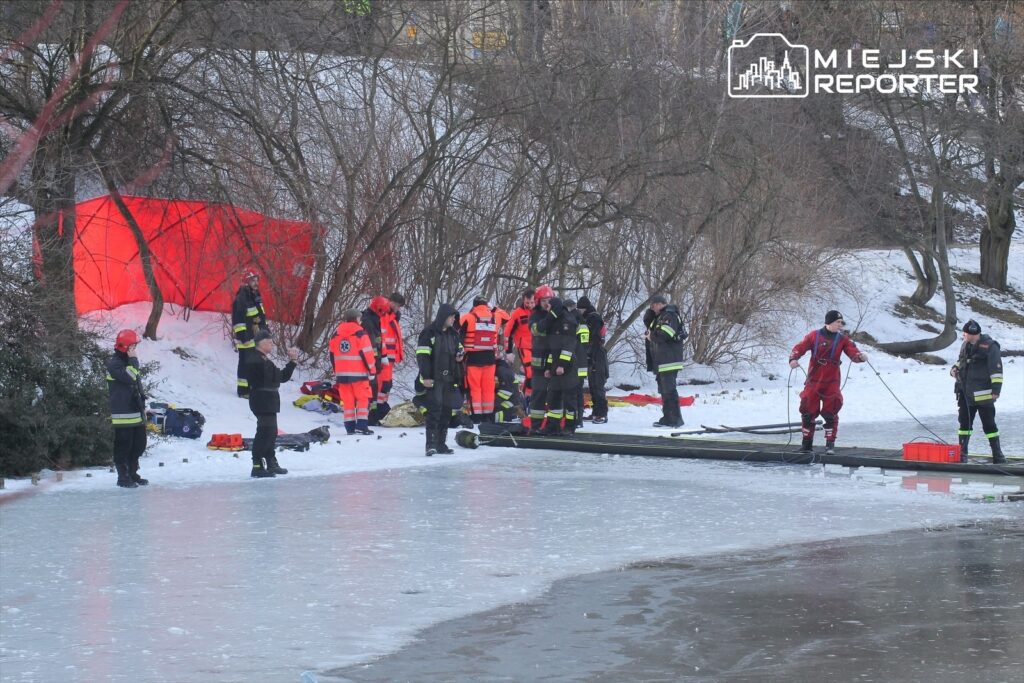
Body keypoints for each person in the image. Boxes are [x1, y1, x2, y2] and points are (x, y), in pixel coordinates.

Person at [789, 310, 867, 454]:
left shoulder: (843, 339)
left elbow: (853, 352)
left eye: (841, 322)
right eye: (837, 322)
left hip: (832, 382)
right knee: (807, 411)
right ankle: (807, 445)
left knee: (831, 413)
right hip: (814, 380)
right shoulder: (814, 335)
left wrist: (860, 357)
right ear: (829, 322)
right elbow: (799, 348)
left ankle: (829, 445)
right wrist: (793, 359)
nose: (840, 325)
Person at [246, 330, 299, 478]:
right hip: (261, 398)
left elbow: (281, 377)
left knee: (271, 432)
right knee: (264, 432)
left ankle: (270, 461)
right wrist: (278, 375)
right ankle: (257, 465)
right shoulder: (255, 359)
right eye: (269, 342)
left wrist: (293, 361)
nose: (271, 344)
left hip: (269, 398)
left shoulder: (264, 359)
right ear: (261, 343)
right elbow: (275, 377)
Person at [951, 320, 1005, 464]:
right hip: (965, 393)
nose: (964, 335)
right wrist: (955, 368)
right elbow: (961, 361)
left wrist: (996, 391)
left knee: (989, 425)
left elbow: (997, 371)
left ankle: (998, 455)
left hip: (984, 395)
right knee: (964, 425)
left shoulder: (990, 347)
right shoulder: (965, 345)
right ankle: (963, 454)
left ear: (973, 334)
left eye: (966, 334)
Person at [416, 303, 465, 456]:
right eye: (451, 317)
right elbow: (422, 357)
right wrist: (426, 377)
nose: (453, 320)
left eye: (454, 317)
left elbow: (460, 349)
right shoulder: (429, 333)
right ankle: (430, 445)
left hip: (450, 379)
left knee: (446, 413)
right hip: (434, 379)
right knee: (434, 412)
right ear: (444, 316)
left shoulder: (453, 334)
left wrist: (460, 355)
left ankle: (441, 444)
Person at [106, 329, 149, 488]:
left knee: (139, 445)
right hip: (123, 414)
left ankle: (132, 473)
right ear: (125, 347)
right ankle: (123, 477)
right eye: (132, 347)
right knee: (123, 446)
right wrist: (134, 361)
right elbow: (130, 377)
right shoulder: (115, 364)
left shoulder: (128, 362)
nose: (135, 350)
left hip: (135, 412)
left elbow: (136, 385)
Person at [330, 309, 377, 436]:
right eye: (360, 318)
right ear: (356, 319)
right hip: (359, 374)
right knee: (363, 399)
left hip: (342, 375)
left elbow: (332, 355)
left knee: (348, 401)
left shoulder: (336, 334)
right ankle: (361, 426)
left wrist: (336, 372)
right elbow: (368, 354)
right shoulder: (360, 334)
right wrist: (372, 370)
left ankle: (350, 427)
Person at [541, 297, 582, 435]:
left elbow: (569, 345)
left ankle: (570, 427)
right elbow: (552, 349)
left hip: (568, 366)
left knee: (570, 398)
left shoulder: (567, 321)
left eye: (549, 307)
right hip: (556, 365)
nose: (548, 310)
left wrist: (562, 365)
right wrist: (548, 367)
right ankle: (553, 425)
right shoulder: (553, 321)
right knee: (553, 397)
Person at [645, 295, 687, 428]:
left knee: (669, 391)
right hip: (662, 361)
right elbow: (648, 323)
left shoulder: (670, 316)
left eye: (653, 306)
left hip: (669, 360)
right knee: (664, 391)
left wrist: (651, 336)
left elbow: (665, 334)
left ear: (660, 304)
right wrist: (650, 313)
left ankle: (675, 419)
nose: (652, 308)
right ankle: (667, 418)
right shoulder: (660, 317)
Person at [461, 296, 500, 423]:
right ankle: (488, 415)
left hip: (473, 359)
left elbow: (458, 333)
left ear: (474, 305)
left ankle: (476, 416)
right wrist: (494, 309)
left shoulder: (468, 317)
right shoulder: (495, 317)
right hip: (490, 359)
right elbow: (507, 316)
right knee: (488, 388)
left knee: (475, 388)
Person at [231, 270, 268, 398]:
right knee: (245, 364)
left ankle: (251, 388)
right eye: (253, 280)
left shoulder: (256, 296)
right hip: (246, 338)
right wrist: (242, 337)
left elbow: (260, 317)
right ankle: (243, 391)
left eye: (257, 280)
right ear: (246, 282)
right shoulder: (241, 298)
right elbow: (238, 319)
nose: (256, 283)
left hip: (256, 338)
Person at [527, 285, 555, 431]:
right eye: (544, 300)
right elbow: (536, 330)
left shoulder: (558, 314)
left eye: (549, 299)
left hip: (555, 363)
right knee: (538, 395)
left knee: (555, 396)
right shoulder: (535, 316)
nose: (546, 303)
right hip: (539, 365)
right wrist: (550, 318)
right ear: (538, 301)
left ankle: (553, 426)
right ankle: (536, 426)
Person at [375, 292, 406, 424]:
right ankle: (377, 408)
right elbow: (382, 337)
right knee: (382, 384)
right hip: (384, 358)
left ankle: (381, 406)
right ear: (392, 302)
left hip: (389, 358)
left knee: (386, 385)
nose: (398, 308)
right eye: (398, 305)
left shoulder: (392, 317)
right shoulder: (384, 316)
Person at [577, 296, 609, 424]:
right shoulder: (589, 318)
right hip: (592, 355)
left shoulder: (593, 318)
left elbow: (593, 338)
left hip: (597, 355)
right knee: (593, 386)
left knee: (597, 386)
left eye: (579, 309)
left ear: (584, 308)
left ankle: (601, 414)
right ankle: (596, 412)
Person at [361, 296, 390, 423]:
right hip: (369, 362)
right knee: (369, 391)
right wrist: (373, 362)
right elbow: (371, 344)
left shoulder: (373, 319)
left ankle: (371, 414)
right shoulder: (368, 320)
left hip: (373, 361)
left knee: (373, 390)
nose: (384, 314)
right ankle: (369, 416)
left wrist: (382, 357)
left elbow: (378, 341)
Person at [504, 289, 536, 402]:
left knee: (536, 374)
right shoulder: (517, 313)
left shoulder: (539, 311)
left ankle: (526, 397)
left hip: (538, 347)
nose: (530, 305)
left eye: (532, 302)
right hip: (524, 347)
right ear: (524, 300)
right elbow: (507, 332)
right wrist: (508, 351)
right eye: (528, 303)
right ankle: (527, 398)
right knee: (530, 373)